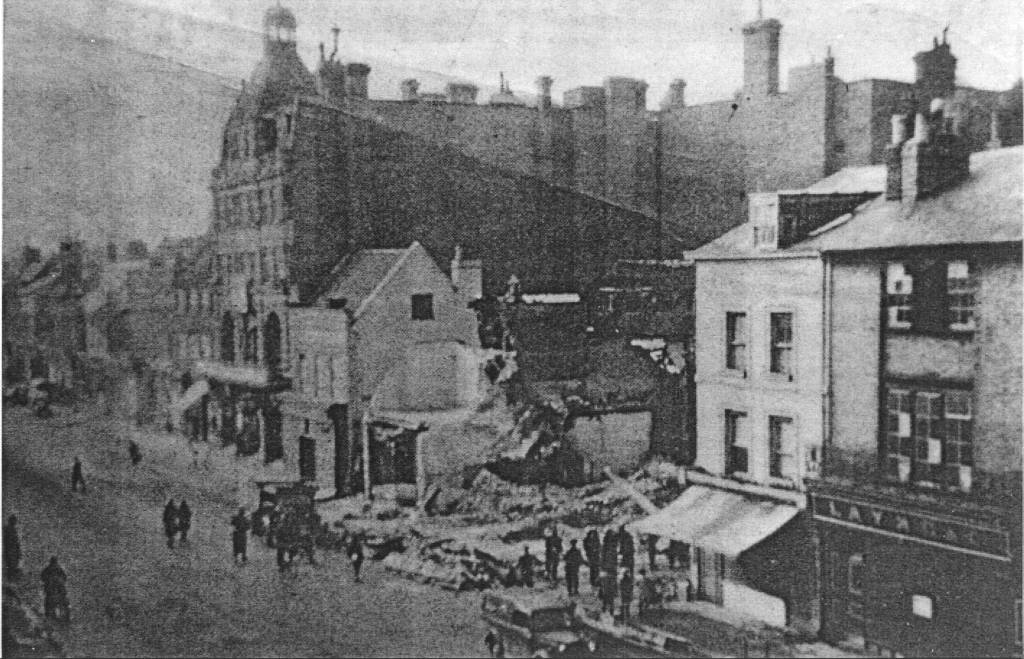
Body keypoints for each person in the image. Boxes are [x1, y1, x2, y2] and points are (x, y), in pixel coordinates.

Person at [40, 556, 68, 622]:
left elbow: (43, 577)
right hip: (58, 589)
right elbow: (64, 578)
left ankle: (50, 616)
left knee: (49, 602)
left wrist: (47, 581)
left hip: (52, 589)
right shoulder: (59, 569)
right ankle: (63, 616)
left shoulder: (48, 569)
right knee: (62, 602)